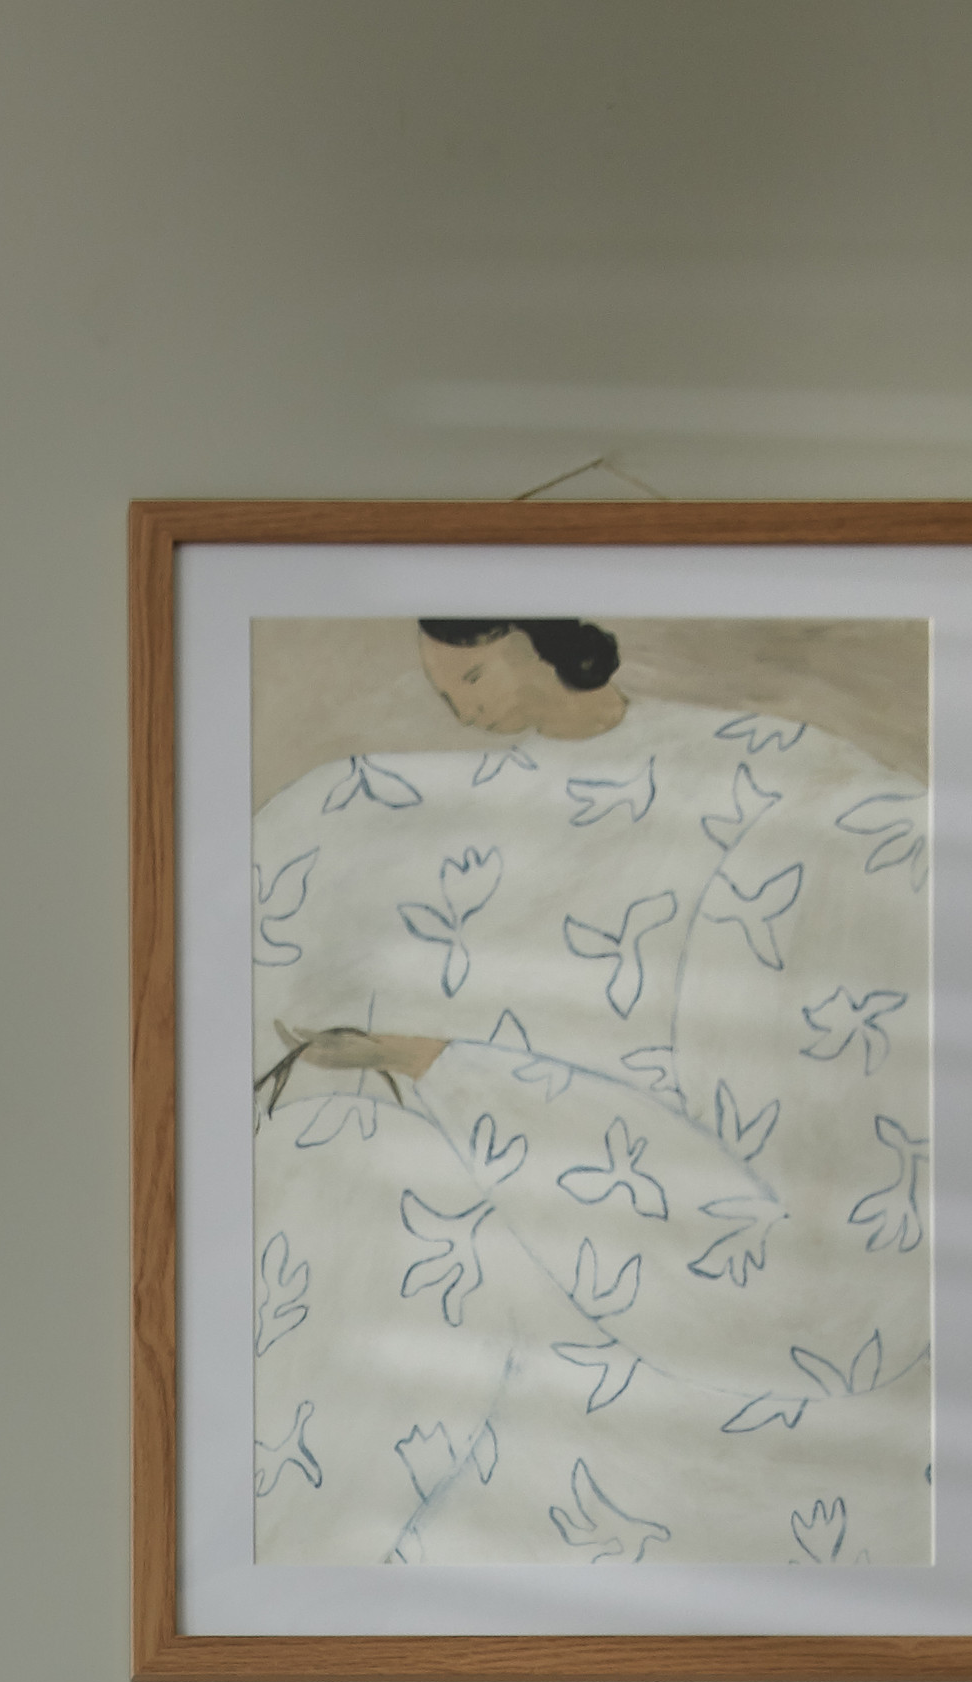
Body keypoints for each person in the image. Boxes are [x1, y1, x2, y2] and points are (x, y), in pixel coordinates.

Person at [249, 619, 932, 1576]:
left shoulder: (732, 772)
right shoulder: (433, 812)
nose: (457, 704)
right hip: (476, 1179)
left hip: (641, 1193)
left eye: (474, 674)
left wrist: (422, 1055)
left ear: (541, 645)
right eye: (441, 684)